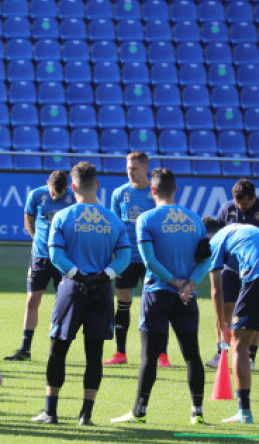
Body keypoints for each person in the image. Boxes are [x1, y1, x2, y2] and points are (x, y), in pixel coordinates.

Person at [32, 162, 131, 426]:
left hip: (71, 290)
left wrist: (77, 274)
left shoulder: (63, 217)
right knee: (94, 353)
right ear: (97, 185)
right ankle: (85, 415)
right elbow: (124, 256)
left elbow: (55, 254)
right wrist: (105, 275)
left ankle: (50, 412)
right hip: (101, 292)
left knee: (58, 350)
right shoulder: (113, 219)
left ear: (72, 187)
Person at [111, 167, 209, 426]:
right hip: (187, 297)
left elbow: (149, 261)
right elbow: (205, 261)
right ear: (175, 188)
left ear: (152, 190)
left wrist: (174, 282)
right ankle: (197, 411)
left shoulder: (147, 219)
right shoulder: (195, 220)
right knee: (192, 354)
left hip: (157, 294)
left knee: (149, 356)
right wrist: (189, 284)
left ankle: (139, 411)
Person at [205, 219, 259, 424]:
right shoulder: (242, 230)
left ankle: (244, 413)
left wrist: (221, 325)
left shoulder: (215, 241)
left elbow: (217, 289)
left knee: (239, 345)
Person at [206, 179, 259, 371]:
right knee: (225, 307)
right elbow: (220, 235)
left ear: (254, 198)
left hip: (257, 268)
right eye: (237, 203)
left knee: (255, 311)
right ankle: (221, 352)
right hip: (232, 267)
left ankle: (250, 356)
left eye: (245, 204)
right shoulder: (226, 209)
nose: (240, 207)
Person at [5, 170, 74, 362]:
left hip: (62, 258)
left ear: (66, 188)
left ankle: (58, 350)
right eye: (52, 193)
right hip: (40, 257)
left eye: (58, 194)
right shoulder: (36, 195)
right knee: (32, 300)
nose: (55, 197)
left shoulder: (73, 199)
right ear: (47, 184)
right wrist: (36, 239)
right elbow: (29, 219)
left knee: (63, 303)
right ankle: (25, 349)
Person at [105, 151, 164, 367]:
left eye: (134, 168)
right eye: (128, 168)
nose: (130, 172)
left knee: (157, 303)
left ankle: (161, 354)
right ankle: (120, 353)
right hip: (126, 256)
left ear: (145, 169)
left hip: (151, 257)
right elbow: (113, 225)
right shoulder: (119, 193)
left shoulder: (155, 193)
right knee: (122, 304)